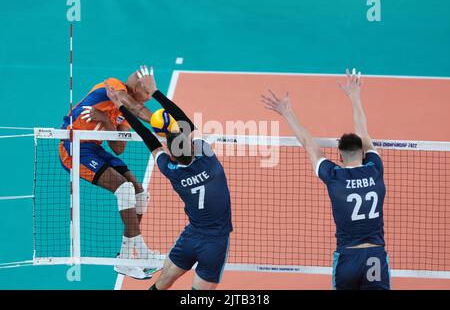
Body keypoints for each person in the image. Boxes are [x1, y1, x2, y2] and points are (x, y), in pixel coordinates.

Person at [105, 66, 233, 290]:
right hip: (215, 242)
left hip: (190, 238)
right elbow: (185, 121)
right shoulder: (208, 160)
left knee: (162, 283)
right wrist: (155, 92)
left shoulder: (172, 171)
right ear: (192, 147)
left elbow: (149, 139)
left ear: (172, 154)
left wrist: (120, 107)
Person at [261, 68, 390, 290]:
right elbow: (364, 134)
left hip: (347, 257)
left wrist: (287, 112)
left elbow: (307, 142)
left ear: (339, 156)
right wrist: (355, 97)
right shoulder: (375, 169)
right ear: (362, 152)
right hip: (375, 256)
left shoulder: (334, 176)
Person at [59, 67, 158, 279]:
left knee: (140, 192)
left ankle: (130, 255)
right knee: (123, 189)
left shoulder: (125, 111)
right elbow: (133, 105)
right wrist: (164, 124)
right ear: (137, 87)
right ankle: (135, 255)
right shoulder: (114, 85)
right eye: (147, 93)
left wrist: (106, 120)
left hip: (93, 146)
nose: (148, 98)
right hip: (73, 147)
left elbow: (119, 147)